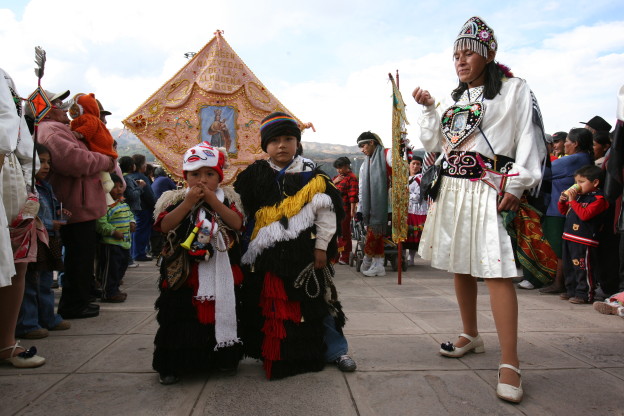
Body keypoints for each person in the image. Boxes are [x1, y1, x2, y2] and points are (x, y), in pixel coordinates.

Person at [412, 16, 546, 403]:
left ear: (489, 54)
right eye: (455, 55)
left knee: (497, 270)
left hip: (491, 187)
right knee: (461, 263)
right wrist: (428, 110)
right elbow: (436, 144)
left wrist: (518, 185)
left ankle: (510, 361)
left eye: (468, 52)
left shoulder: (514, 89)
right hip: (454, 189)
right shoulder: (457, 100)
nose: (460, 60)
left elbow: (530, 138)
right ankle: (470, 333)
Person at [234, 112, 356, 380]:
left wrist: (322, 247)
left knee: (317, 302)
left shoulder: (312, 176)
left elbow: (326, 216)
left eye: (288, 138)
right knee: (271, 304)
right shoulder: (254, 175)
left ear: (297, 142)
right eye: (275, 140)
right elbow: (245, 215)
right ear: (265, 145)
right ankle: (273, 352)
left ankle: (337, 351)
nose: (282, 145)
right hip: (266, 255)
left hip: (304, 253)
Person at [152, 142, 244, 385]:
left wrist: (214, 202)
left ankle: (221, 359)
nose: (202, 180)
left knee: (221, 314)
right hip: (184, 274)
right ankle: (172, 364)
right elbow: (164, 226)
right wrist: (187, 204)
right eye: (195, 174)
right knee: (179, 316)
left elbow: (236, 224)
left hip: (221, 271)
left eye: (210, 174)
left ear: (219, 178)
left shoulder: (229, 200)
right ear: (185, 176)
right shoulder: (173, 199)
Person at [37, 89, 116, 320]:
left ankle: (80, 300)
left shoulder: (61, 129)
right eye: (57, 103)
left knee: (82, 256)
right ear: (46, 107)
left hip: (80, 204)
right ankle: (74, 305)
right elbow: (73, 161)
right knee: (78, 257)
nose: (63, 106)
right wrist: (107, 161)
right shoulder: (50, 130)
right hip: (74, 204)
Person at [0, 67, 45, 368]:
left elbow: (9, 124)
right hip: (8, 166)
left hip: (9, 167)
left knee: (14, 259)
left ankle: (5, 342)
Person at [16, 144, 71, 339]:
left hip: (48, 240)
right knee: (31, 284)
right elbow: (28, 213)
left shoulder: (45, 186)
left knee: (45, 282)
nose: (46, 166)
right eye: (41, 161)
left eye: (48, 162)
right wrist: (50, 222)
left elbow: (47, 208)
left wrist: (60, 214)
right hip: (33, 239)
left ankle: (48, 318)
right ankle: (28, 324)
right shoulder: (25, 186)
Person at [539, 128, 594, 294]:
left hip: (558, 209)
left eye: (567, 141)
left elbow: (542, 171)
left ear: (575, 144)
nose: (564, 145)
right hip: (565, 208)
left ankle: (560, 283)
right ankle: (564, 283)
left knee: (559, 248)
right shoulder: (585, 158)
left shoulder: (574, 159)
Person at [558, 165, 608, 304]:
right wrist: (563, 201)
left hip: (584, 240)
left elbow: (585, 215)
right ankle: (571, 290)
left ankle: (584, 293)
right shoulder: (579, 197)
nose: (577, 186)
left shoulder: (598, 199)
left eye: (581, 182)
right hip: (568, 236)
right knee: (569, 267)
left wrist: (572, 200)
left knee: (582, 267)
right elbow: (565, 212)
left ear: (595, 182)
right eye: (576, 182)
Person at [68, 93, 118, 201]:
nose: (104, 121)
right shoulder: (89, 121)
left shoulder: (91, 121)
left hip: (100, 156)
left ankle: (105, 183)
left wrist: (78, 133)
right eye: (102, 116)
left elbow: (87, 130)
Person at [96, 174, 135, 303]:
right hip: (111, 244)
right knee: (111, 269)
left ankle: (115, 289)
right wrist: (113, 232)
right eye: (114, 187)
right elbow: (101, 224)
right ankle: (108, 292)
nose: (118, 190)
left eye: (120, 187)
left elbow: (129, 214)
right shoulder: (105, 205)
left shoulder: (122, 203)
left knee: (121, 268)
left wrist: (132, 222)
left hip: (124, 244)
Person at [357, 131, 392, 277]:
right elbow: (361, 188)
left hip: (387, 204)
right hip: (370, 205)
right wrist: (360, 207)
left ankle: (367, 259)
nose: (362, 149)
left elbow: (401, 171)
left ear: (372, 142)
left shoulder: (387, 154)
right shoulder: (365, 164)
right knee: (376, 235)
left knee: (375, 235)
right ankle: (379, 266)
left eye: (363, 145)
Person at [128, 154, 156, 262]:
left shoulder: (129, 176)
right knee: (142, 231)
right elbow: (149, 195)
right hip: (144, 208)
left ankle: (134, 252)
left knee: (134, 230)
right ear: (141, 165)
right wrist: (155, 206)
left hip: (133, 208)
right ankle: (139, 253)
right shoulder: (142, 177)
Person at [332, 156, 359, 265]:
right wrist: (334, 182)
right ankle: (335, 255)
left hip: (345, 210)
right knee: (336, 234)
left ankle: (346, 256)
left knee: (344, 233)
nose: (339, 170)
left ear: (347, 166)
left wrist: (352, 211)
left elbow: (352, 196)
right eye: (337, 168)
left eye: (340, 168)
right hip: (335, 209)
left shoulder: (351, 178)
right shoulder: (338, 177)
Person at [405, 156, 427, 265]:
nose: (415, 166)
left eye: (418, 164)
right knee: (404, 234)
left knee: (413, 235)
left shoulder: (420, 178)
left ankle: (411, 258)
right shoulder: (404, 178)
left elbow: (418, 197)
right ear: (409, 164)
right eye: (413, 163)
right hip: (405, 210)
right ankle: (402, 257)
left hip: (416, 210)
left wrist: (405, 194)